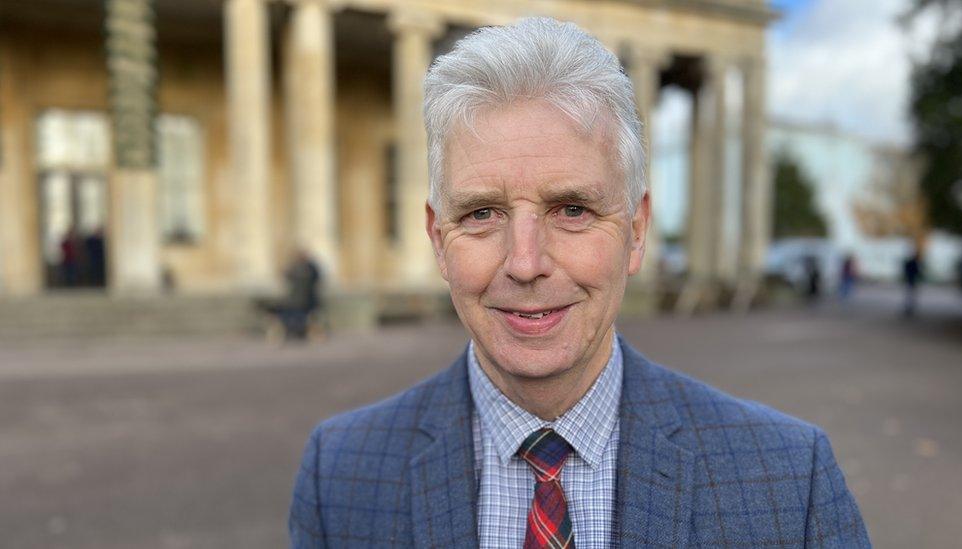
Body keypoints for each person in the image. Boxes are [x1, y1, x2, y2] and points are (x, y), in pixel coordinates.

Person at [289, 17, 870, 548]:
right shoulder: (340, 475)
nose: (525, 263)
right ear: (439, 239)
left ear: (636, 231)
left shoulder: (790, 480)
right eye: (481, 214)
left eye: (571, 210)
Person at [902, 248, 923, 317]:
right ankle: (909, 309)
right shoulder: (914, 263)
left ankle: (909, 309)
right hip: (911, 281)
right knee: (910, 296)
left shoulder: (910, 262)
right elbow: (917, 272)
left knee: (909, 296)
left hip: (910, 280)